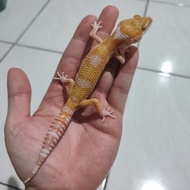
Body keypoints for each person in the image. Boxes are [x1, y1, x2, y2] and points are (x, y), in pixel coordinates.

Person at [4, 5, 139, 190]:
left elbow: (93, 36)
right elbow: (122, 61)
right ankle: (37, 166)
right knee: (93, 101)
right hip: (77, 100)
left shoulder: (105, 43)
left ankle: (37, 167)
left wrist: (94, 30)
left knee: (78, 90)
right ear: (130, 40)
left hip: (73, 91)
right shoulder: (113, 49)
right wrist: (122, 52)